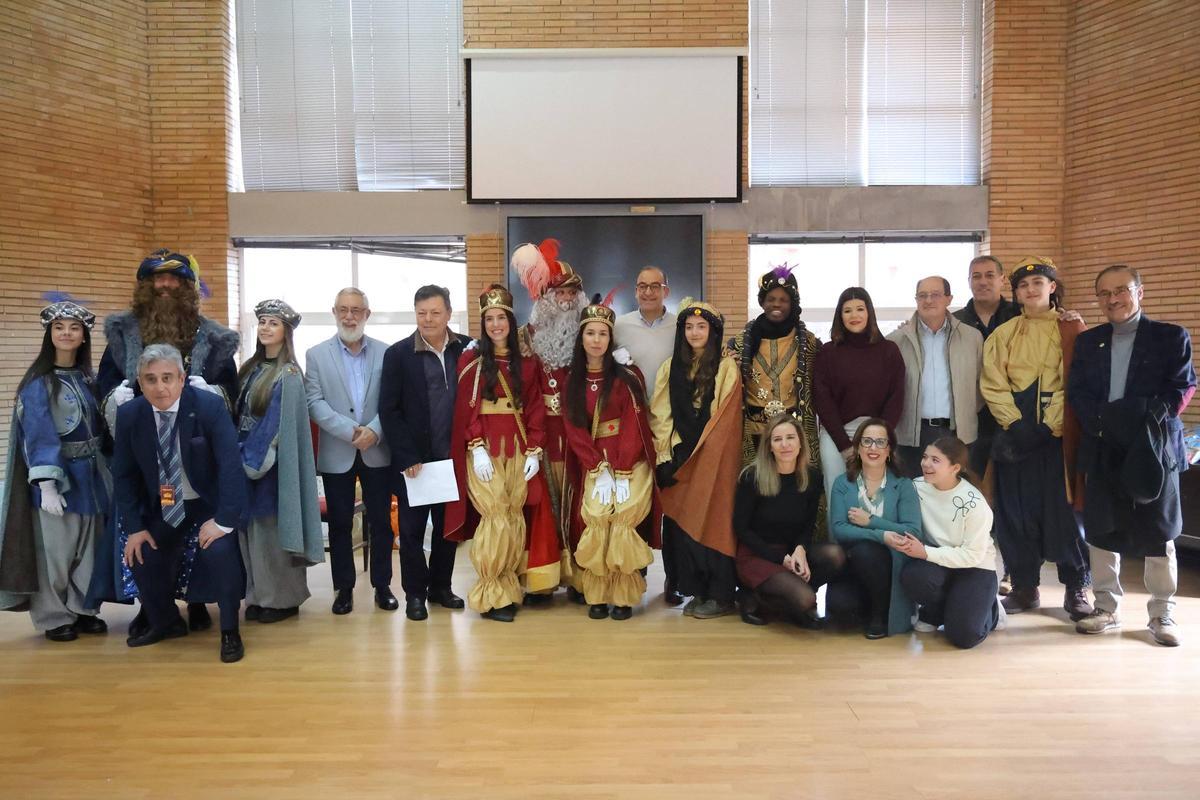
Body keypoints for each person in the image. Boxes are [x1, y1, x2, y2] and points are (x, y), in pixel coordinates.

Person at [92, 249, 239, 632]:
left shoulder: (214, 337)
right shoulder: (123, 336)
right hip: (144, 456)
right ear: (146, 286)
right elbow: (105, 386)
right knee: (147, 536)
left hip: (194, 456)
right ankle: (154, 608)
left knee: (197, 535)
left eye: (175, 279)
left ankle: (198, 603)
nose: (166, 286)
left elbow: (231, 393)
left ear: (188, 287)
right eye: (157, 279)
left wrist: (214, 394)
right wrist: (114, 401)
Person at [1069, 265, 1196, 646]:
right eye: (1104, 293)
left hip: (1153, 448)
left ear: (1139, 292)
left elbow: (1182, 388)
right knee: (1102, 528)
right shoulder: (1090, 342)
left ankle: (1162, 612)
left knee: (1159, 531)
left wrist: (1140, 422)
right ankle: (1106, 608)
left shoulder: (1171, 336)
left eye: (1121, 290)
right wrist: (1107, 425)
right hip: (1104, 443)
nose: (1113, 299)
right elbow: (1079, 394)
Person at [111, 344, 249, 662]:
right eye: (151, 379)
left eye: (167, 378)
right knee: (142, 552)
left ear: (182, 378)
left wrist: (224, 521)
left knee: (220, 551)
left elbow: (230, 467)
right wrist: (135, 528)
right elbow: (124, 475)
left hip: (208, 502)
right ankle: (166, 622)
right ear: (139, 382)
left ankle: (230, 631)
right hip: (165, 504)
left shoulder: (208, 407)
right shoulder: (131, 415)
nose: (160, 387)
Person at [981, 256, 1092, 623]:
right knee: (1015, 513)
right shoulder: (1004, 333)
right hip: (1015, 437)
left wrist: (1049, 426)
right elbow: (992, 383)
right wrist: (1015, 424)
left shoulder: (1071, 329)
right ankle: (1025, 585)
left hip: (1057, 438)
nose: (1030, 290)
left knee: (1062, 512)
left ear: (1052, 288)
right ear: (1016, 292)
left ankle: (1077, 585)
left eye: (1038, 284)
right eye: (1023, 285)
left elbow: (1075, 382)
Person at [445, 285, 558, 622]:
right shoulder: (471, 360)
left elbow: (535, 408)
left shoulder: (527, 363)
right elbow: (467, 410)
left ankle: (508, 588)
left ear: (510, 320)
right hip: (485, 451)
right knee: (494, 515)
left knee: (512, 515)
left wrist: (535, 450)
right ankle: (492, 592)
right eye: (489, 319)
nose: (496, 325)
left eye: (501, 318)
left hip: (519, 450)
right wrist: (476, 447)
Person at [0, 301, 108, 641]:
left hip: (91, 479)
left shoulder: (90, 380)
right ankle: (53, 616)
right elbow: (38, 433)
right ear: (50, 334)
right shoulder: (38, 384)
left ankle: (82, 609)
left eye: (74, 328)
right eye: (59, 327)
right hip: (58, 482)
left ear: (83, 336)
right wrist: (47, 482)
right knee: (56, 555)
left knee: (88, 550)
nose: (66, 333)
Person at [562, 295, 662, 620]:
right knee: (596, 519)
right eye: (590, 333)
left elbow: (634, 425)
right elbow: (574, 430)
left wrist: (620, 468)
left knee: (622, 517)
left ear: (610, 338)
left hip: (628, 462)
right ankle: (597, 594)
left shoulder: (627, 376)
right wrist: (597, 467)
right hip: (595, 462)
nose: (596, 340)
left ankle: (622, 595)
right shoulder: (571, 381)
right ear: (582, 338)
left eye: (602, 334)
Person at [379, 285, 471, 621]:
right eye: (422, 313)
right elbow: (389, 411)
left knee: (449, 531)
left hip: (453, 459)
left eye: (435, 312)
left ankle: (441, 588)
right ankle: (415, 595)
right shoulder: (398, 354)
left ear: (448, 313)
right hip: (415, 464)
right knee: (413, 533)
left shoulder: (467, 349)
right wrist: (406, 456)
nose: (428, 319)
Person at [649, 298, 743, 618]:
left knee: (714, 521)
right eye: (688, 327)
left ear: (713, 331)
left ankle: (719, 594)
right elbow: (661, 414)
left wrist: (705, 455)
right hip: (680, 457)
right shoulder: (669, 367)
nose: (694, 332)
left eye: (701, 326)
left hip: (713, 458)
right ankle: (694, 589)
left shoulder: (726, 367)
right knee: (681, 525)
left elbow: (726, 416)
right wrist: (667, 454)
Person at [305, 288, 396, 615]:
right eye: (343, 309)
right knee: (341, 523)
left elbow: (391, 400)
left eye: (356, 310)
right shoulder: (316, 355)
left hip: (377, 449)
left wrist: (374, 430)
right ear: (334, 312)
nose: (349, 316)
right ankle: (343, 588)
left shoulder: (387, 353)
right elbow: (314, 402)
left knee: (382, 522)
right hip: (336, 451)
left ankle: (382, 585)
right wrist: (350, 431)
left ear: (367, 315)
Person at [236, 300, 324, 623]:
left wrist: (251, 458)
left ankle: (282, 599)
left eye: (272, 323)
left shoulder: (288, 375)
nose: (265, 328)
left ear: (285, 331)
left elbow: (275, 424)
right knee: (251, 534)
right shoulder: (250, 369)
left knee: (273, 535)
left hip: (271, 466)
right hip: (245, 457)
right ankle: (258, 595)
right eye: (261, 322)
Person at [511, 239, 587, 601]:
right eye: (560, 292)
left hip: (577, 436)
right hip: (537, 436)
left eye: (573, 292)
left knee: (578, 505)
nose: (567, 299)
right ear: (544, 297)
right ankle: (540, 580)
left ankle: (578, 577)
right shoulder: (524, 338)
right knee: (540, 505)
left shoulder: (590, 338)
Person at [733, 414, 844, 628]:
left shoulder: (811, 477)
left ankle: (786, 599)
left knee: (835, 555)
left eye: (790, 437)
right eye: (777, 439)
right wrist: (781, 558)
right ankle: (753, 595)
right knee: (806, 600)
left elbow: (807, 523)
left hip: (790, 550)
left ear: (800, 442)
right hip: (757, 554)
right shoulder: (752, 477)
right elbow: (741, 529)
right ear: (769, 446)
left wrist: (800, 550)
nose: (785, 445)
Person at [899, 436, 1004, 650]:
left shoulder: (975, 503)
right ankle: (938, 610)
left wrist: (925, 553)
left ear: (955, 467)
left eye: (935, 460)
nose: (926, 464)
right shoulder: (916, 488)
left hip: (974, 567)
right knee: (914, 576)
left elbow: (973, 555)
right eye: (925, 457)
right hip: (940, 563)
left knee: (964, 637)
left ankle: (991, 609)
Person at [827, 418, 921, 639]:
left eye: (880, 442)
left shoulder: (904, 485)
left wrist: (872, 521)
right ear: (857, 447)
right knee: (839, 607)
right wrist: (882, 535)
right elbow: (840, 528)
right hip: (853, 566)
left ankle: (879, 613)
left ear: (889, 449)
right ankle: (866, 605)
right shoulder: (843, 483)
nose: (873, 448)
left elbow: (912, 531)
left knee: (866, 550)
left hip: (890, 564)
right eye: (867, 441)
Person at [813, 287, 905, 504]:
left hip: (876, 433)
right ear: (839, 316)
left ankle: (870, 538)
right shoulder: (828, 352)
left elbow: (897, 396)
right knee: (839, 495)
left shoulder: (889, 351)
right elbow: (822, 399)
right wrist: (844, 446)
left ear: (869, 312)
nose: (854, 316)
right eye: (847, 311)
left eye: (860, 309)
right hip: (836, 435)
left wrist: (879, 439)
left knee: (872, 496)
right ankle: (838, 539)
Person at [726, 265, 822, 468]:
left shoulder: (810, 344)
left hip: (794, 437)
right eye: (771, 299)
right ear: (762, 302)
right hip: (753, 435)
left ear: (792, 304)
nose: (776, 304)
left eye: (783, 300)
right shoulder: (740, 344)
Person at [888, 276, 983, 477]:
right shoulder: (896, 341)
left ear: (949, 299)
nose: (928, 300)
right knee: (913, 497)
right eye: (922, 295)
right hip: (912, 435)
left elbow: (980, 386)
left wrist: (964, 412)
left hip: (957, 433)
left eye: (935, 295)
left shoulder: (971, 337)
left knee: (953, 498)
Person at [614, 266, 677, 400]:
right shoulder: (618, 325)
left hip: (669, 413)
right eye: (642, 286)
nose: (648, 292)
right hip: (632, 410)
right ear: (636, 291)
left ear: (665, 291)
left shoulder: (680, 326)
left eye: (655, 286)